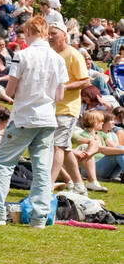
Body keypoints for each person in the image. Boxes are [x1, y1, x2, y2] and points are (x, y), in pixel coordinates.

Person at [0, 16, 66, 228]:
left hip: (25, 116)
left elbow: (10, 90)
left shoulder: (22, 56)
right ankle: (39, 217)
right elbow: (59, 96)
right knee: (42, 170)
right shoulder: (58, 58)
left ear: (30, 33)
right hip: (47, 118)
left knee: (3, 163)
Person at [48, 21, 91, 195]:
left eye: (54, 34)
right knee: (64, 148)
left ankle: (48, 184)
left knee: (57, 146)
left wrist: (64, 87)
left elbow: (86, 81)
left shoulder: (73, 54)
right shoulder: (50, 54)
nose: (50, 37)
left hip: (67, 109)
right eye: (48, 33)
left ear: (64, 35)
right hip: (52, 108)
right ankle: (79, 185)